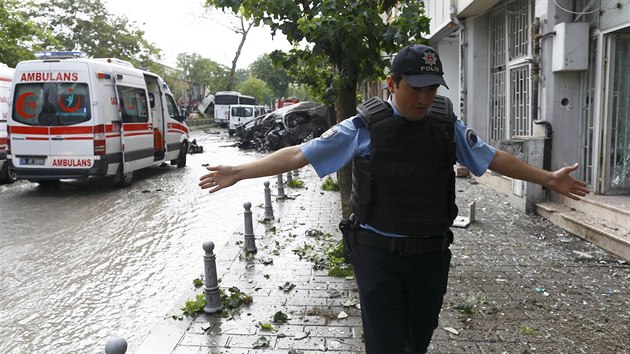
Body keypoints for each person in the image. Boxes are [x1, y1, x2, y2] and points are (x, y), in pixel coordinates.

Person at [199, 44, 590, 353]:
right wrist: (240, 171)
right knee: (385, 346)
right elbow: (300, 154)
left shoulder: (445, 126)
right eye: (415, 88)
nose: (423, 98)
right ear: (392, 83)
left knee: (417, 341)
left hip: (431, 256)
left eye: (431, 89)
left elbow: (491, 157)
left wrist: (549, 179)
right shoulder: (363, 127)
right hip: (378, 256)